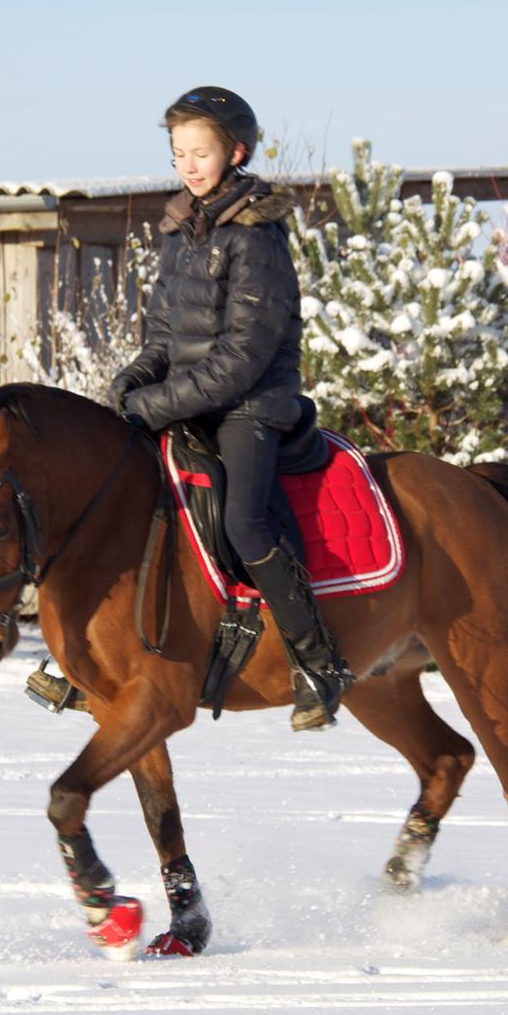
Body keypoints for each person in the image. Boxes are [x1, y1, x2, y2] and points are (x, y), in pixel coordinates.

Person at [108, 86, 354, 731]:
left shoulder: (256, 236)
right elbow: (162, 335)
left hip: (252, 404)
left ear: (236, 151)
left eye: (202, 152)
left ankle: (318, 662)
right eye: (179, 153)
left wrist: (156, 404)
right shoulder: (180, 228)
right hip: (191, 400)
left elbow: (243, 357)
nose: (189, 165)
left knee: (245, 520)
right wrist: (131, 382)